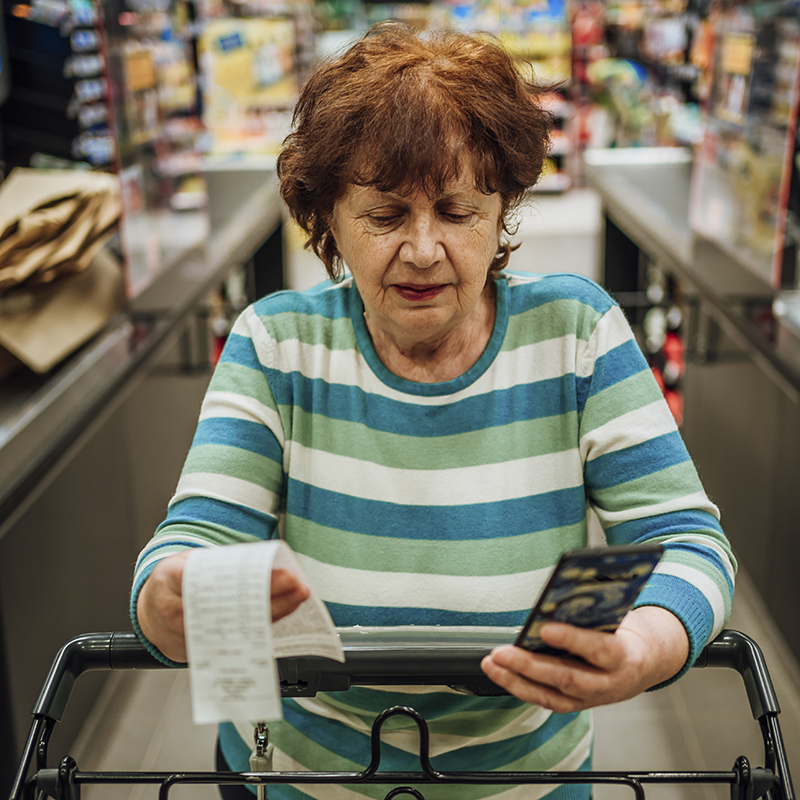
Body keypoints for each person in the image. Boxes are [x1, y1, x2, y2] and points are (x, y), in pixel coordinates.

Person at [132, 21, 736, 800]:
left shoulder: (576, 336)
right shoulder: (278, 345)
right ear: (329, 220)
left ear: (504, 207)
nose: (423, 250)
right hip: (307, 782)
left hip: (527, 784)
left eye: (458, 212)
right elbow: (192, 545)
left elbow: (685, 538)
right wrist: (173, 602)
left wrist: (645, 645)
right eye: (384, 216)